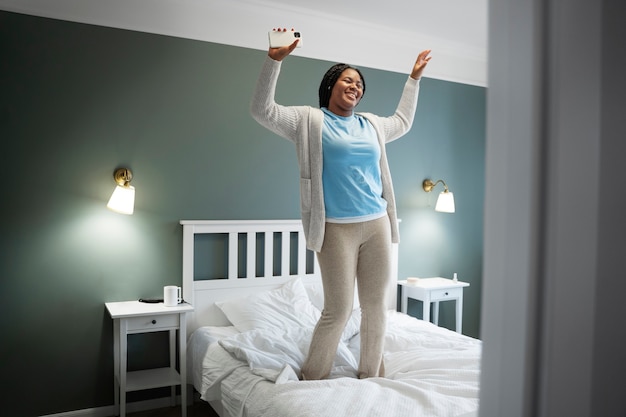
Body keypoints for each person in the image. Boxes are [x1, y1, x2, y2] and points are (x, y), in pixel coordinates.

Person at [250, 29, 432, 380]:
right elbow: (262, 110)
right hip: (335, 229)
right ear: (331, 85)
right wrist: (274, 60)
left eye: (360, 83)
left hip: (376, 223)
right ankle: (312, 376)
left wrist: (413, 80)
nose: (355, 86)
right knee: (338, 309)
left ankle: (371, 376)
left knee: (376, 306)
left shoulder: (372, 125)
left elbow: (403, 121)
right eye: (348, 80)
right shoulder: (308, 121)